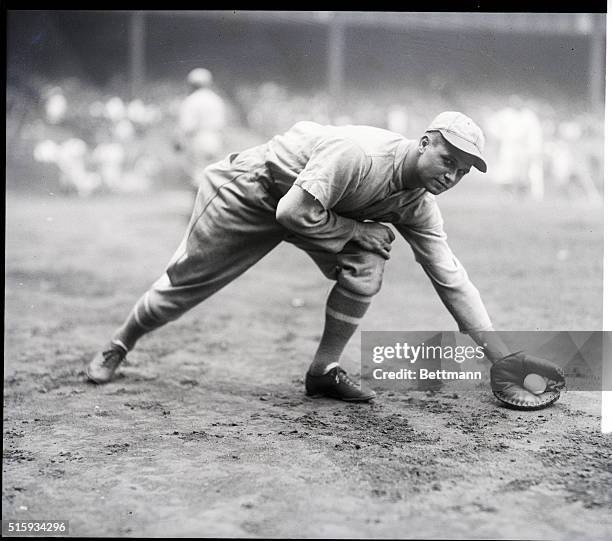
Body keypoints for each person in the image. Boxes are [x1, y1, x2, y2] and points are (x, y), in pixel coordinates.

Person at [87, 111, 514, 402]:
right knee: (182, 287)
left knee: (367, 263)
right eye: (448, 160)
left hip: (315, 209)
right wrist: (358, 229)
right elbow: (290, 212)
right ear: (424, 143)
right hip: (252, 192)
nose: (452, 175)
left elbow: (449, 275)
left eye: (462, 171)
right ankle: (118, 345)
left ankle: (323, 371)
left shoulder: (418, 204)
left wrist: (501, 357)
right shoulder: (361, 155)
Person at [175, 68, 227, 188]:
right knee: (214, 174)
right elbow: (222, 124)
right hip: (215, 138)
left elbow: (187, 126)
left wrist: (179, 142)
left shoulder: (191, 100)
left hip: (199, 138)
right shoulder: (216, 99)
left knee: (198, 174)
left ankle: (199, 205)